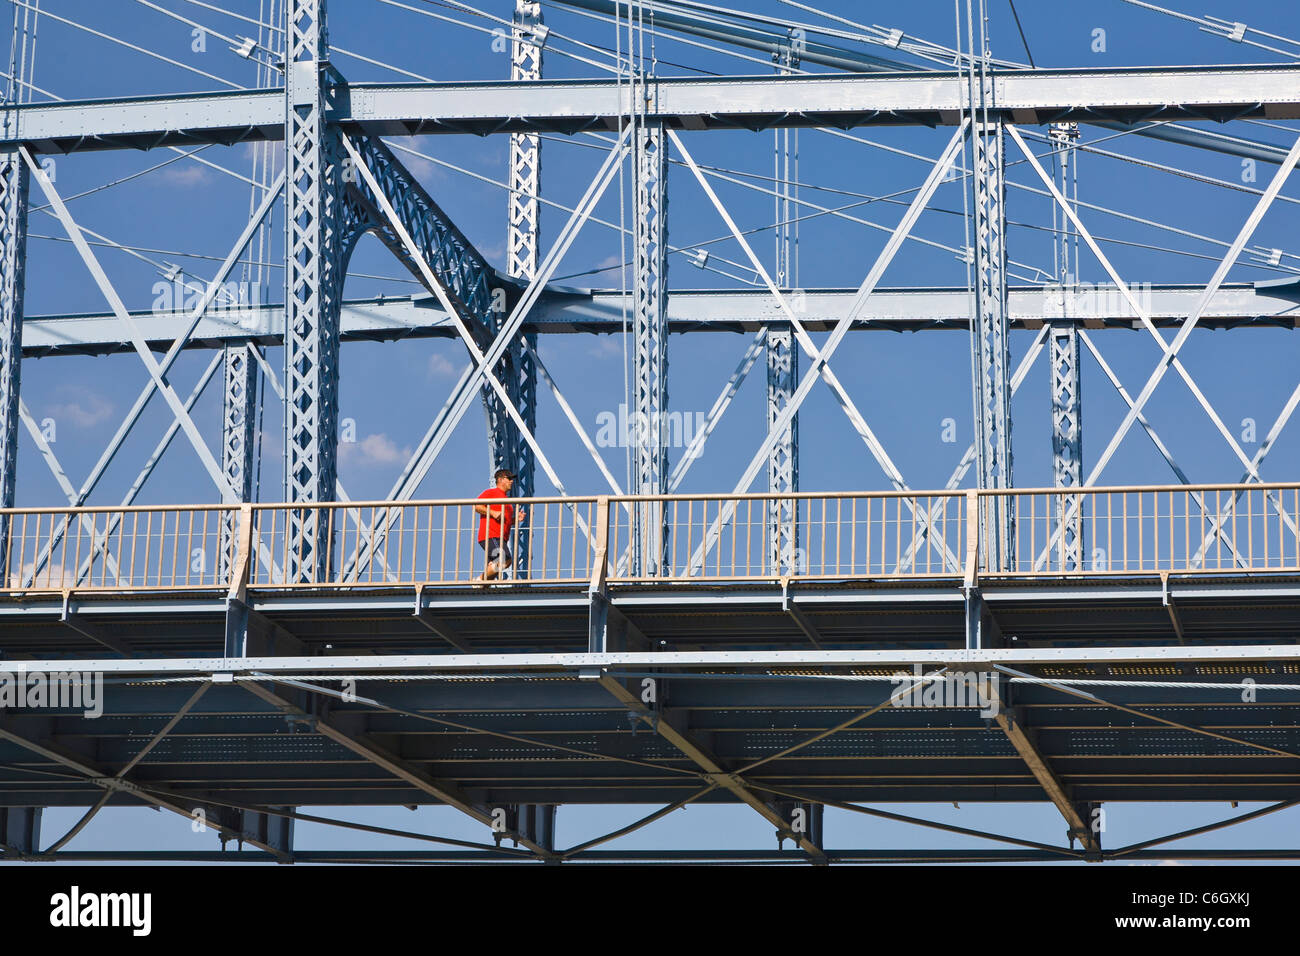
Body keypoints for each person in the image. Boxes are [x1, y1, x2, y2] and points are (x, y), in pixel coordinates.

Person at [473, 468, 527, 582]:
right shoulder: (491, 492)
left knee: (492, 572)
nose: (512, 481)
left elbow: (504, 520)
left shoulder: (506, 501)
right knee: (505, 560)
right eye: (509, 478)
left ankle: (481, 586)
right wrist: (492, 512)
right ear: (500, 479)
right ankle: (479, 580)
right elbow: (477, 506)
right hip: (490, 536)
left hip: (499, 538)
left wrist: (515, 519)